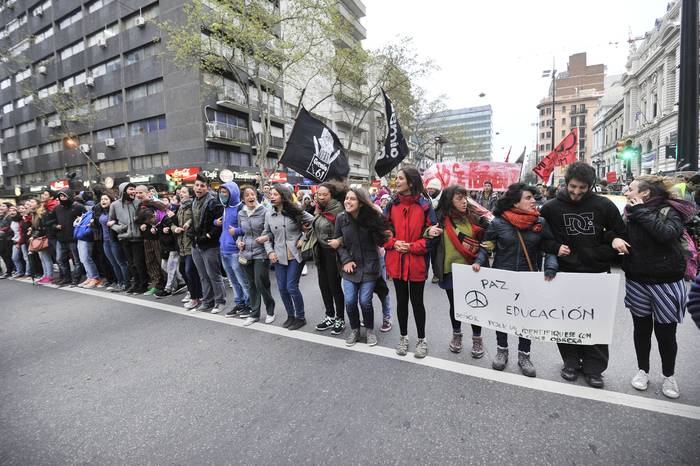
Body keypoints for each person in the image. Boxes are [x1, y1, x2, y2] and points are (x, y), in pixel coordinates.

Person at [539, 162, 627, 389]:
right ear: (566, 182)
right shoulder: (549, 208)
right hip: (565, 274)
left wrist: (606, 248)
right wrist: (555, 247)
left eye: (582, 188)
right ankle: (570, 361)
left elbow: (619, 232)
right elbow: (540, 239)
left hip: (597, 273)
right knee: (567, 320)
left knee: (596, 321)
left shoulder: (604, 206)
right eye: (573, 187)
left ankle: (594, 368)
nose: (577, 192)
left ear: (591, 186)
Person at [614, 175, 696, 399]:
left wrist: (641, 211)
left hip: (667, 282)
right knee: (641, 330)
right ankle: (643, 371)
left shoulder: (671, 210)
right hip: (637, 279)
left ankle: (669, 375)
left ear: (645, 193)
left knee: (666, 333)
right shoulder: (628, 212)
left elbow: (666, 234)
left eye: (630, 189)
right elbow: (618, 234)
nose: (626, 192)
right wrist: (615, 240)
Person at [472, 183, 558, 377]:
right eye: (528, 198)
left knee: (525, 318)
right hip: (502, 278)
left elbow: (551, 247)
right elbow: (487, 245)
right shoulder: (498, 223)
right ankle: (502, 351)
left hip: (529, 278)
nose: (533, 201)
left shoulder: (540, 223)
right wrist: (479, 260)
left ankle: (524, 355)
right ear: (515, 202)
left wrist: (551, 268)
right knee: (501, 316)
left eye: (533, 197)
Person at [384, 166, 437, 358]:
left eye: (400, 178)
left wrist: (412, 247)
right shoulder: (391, 204)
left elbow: (433, 235)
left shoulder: (425, 205)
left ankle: (422, 340)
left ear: (411, 182)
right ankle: (403, 337)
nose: (396, 181)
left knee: (417, 302)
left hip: (417, 263)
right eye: (396, 178)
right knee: (401, 301)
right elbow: (382, 230)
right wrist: (394, 243)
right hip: (396, 261)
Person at [432, 185, 486, 358]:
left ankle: (477, 338)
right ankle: (457, 335)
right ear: (449, 200)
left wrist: (481, 259)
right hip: (449, 270)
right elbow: (424, 235)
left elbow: (487, 242)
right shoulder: (439, 219)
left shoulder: (474, 218)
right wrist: (429, 231)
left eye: (465, 197)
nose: (464, 201)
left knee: (474, 305)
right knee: (455, 306)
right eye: (459, 198)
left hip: (472, 270)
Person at [336, 188, 389, 346]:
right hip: (350, 268)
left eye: (352, 199)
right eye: (347, 198)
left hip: (370, 266)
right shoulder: (341, 218)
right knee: (350, 301)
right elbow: (338, 243)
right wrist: (345, 260)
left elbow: (382, 240)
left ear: (360, 203)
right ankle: (355, 330)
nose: (348, 201)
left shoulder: (371, 217)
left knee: (365, 301)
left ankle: (370, 330)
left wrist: (380, 226)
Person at [262, 184, 314, 330]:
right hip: (278, 255)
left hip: (295, 254)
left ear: (283, 196)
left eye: (275, 194)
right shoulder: (268, 214)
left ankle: (300, 317)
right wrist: (269, 251)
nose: (271, 196)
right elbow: (266, 234)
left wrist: (303, 237)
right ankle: (290, 315)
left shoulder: (295, 210)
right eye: (270, 194)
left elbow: (314, 222)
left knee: (291, 287)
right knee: (282, 288)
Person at [310, 182, 346, 335]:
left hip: (334, 253)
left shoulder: (339, 210)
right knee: (323, 285)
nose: (321, 197)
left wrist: (339, 241)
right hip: (320, 252)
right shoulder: (319, 209)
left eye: (325, 194)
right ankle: (329, 315)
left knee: (334, 286)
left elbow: (348, 232)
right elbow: (318, 229)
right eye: (319, 194)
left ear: (331, 195)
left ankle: (340, 318)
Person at [236, 185, 275, 325]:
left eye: (252, 194)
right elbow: (242, 233)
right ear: (243, 199)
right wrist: (239, 242)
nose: (250, 197)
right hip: (246, 253)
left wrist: (265, 238)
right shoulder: (241, 213)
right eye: (247, 195)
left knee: (260, 282)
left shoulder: (265, 211)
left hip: (261, 252)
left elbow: (272, 232)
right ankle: (254, 314)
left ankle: (270, 310)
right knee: (251, 284)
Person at [188, 174, 225, 313]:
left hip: (210, 245)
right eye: (197, 185)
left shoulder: (214, 202)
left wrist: (208, 235)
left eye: (202, 186)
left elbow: (219, 224)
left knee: (214, 275)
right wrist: (191, 234)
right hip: (196, 243)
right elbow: (193, 220)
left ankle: (220, 301)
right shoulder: (194, 201)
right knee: (203, 275)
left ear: (208, 188)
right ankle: (208, 301)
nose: (199, 188)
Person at [217, 182, 251, 315]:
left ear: (233, 193)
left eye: (225, 192)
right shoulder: (225, 207)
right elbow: (225, 226)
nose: (222, 194)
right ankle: (239, 303)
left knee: (243, 281)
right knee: (233, 281)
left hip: (236, 251)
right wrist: (216, 222)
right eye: (221, 192)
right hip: (224, 250)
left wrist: (236, 231)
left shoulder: (241, 208)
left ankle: (249, 305)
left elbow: (249, 229)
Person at [109, 183, 148, 294]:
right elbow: (110, 221)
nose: (134, 192)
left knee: (139, 263)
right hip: (125, 238)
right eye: (131, 189)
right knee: (131, 264)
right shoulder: (115, 205)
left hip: (138, 238)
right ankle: (135, 284)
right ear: (123, 191)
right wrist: (120, 228)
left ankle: (143, 285)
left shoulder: (138, 202)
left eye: (134, 189)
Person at [172, 186, 202, 310]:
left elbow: (196, 220)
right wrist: (175, 229)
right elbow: (172, 222)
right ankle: (195, 294)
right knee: (183, 270)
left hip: (191, 244)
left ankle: (195, 297)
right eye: (180, 192)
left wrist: (189, 223)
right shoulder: (179, 208)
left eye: (184, 192)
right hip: (181, 245)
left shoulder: (193, 206)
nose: (181, 194)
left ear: (190, 195)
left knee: (190, 270)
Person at [95, 193, 128, 292]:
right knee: (113, 263)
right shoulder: (102, 212)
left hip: (114, 240)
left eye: (106, 199)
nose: (103, 201)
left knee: (121, 263)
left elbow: (124, 221)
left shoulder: (115, 210)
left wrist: (115, 222)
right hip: (105, 241)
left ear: (111, 201)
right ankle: (120, 282)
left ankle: (126, 283)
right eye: (102, 199)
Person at [54, 190, 85, 286]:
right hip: (61, 238)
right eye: (60, 196)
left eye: (64, 196)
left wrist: (79, 226)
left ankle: (76, 278)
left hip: (73, 238)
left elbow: (86, 218)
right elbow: (51, 221)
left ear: (70, 196)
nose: (62, 198)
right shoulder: (57, 208)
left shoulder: (78, 207)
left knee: (77, 260)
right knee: (60, 259)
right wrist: (55, 226)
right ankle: (67, 278)